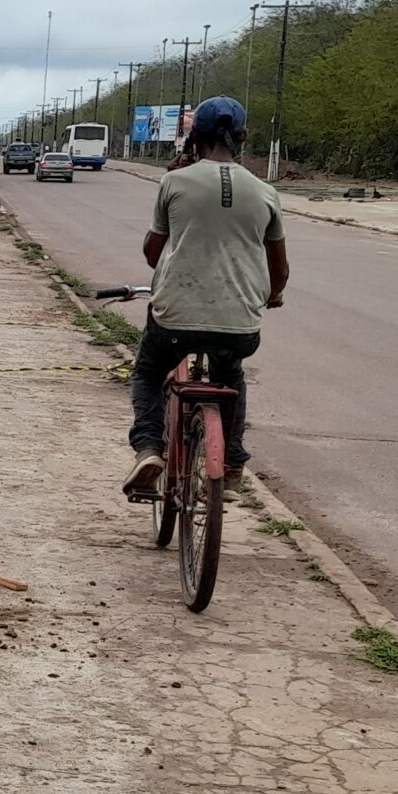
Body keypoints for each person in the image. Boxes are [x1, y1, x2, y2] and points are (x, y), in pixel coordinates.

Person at [124, 96, 288, 495]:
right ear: (243, 137)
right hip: (239, 324)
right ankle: (231, 464)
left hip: (174, 319)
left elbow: (152, 254)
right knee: (230, 374)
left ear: (193, 136)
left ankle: (149, 448)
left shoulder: (174, 182)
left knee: (147, 373)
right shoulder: (266, 193)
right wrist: (274, 294)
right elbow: (279, 270)